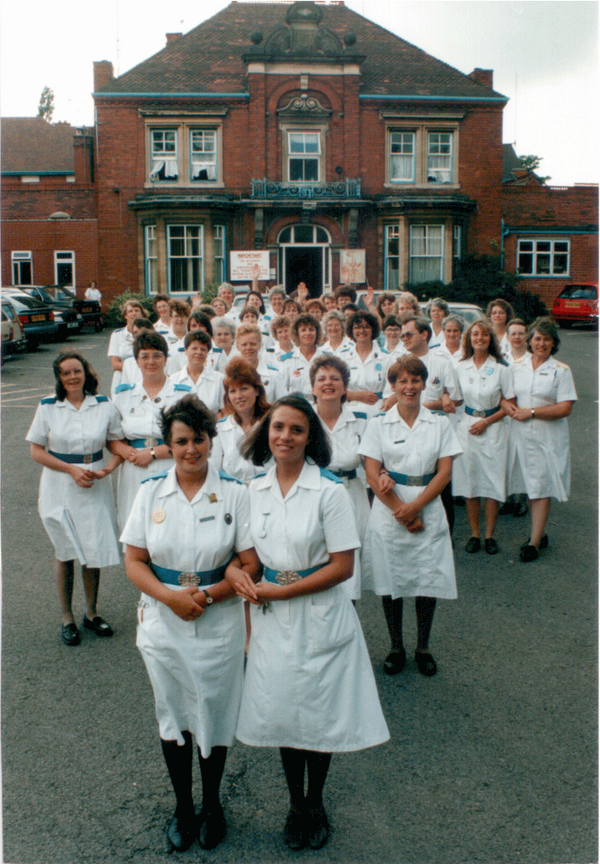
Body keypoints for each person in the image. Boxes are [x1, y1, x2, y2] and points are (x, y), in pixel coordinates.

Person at [229, 395, 389, 850]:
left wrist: (283, 590)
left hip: (318, 611)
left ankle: (315, 801)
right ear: (267, 432)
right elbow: (248, 560)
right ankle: (294, 802)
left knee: (318, 715)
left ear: (310, 437)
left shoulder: (331, 491)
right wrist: (237, 574)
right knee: (284, 713)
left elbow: (342, 567)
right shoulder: (252, 491)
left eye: (297, 430)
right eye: (278, 427)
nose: (285, 437)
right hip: (271, 617)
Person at [121, 394, 260, 852]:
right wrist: (169, 599)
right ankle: (184, 806)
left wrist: (207, 595)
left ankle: (213, 804)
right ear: (168, 443)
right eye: (180, 441)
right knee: (174, 716)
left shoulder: (235, 494)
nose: (191, 450)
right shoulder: (149, 492)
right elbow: (135, 561)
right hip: (163, 622)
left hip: (218, 621)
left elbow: (250, 563)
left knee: (215, 717)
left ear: (210, 439)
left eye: (198, 439)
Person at [359, 356, 462, 677]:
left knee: (426, 579)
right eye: (402, 381)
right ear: (392, 385)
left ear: (423, 383)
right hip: (389, 511)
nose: (409, 387)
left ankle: (423, 647)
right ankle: (395, 646)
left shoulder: (439, 423)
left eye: (415, 380)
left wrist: (415, 509)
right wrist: (400, 511)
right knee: (391, 580)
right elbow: (372, 472)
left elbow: (444, 473)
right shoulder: (378, 423)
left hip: (428, 506)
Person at [27, 351, 124, 646]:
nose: (72, 377)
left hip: (93, 483)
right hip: (60, 483)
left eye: (77, 371)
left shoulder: (103, 405)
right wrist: (70, 469)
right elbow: (37, 450)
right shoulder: (48, 407)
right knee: (66, 549)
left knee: (92, 547)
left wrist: (109, 467)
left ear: (86, 373)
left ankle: (91, 613)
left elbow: (115, 442)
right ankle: (67, 617)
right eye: (66, 372)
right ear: (59, 377)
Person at [503, 317, 577, 562]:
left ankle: (534, 542)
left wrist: (532, 412)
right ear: (529, 340)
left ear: (553, 343)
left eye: (547, 339)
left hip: (548, 436)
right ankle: (540, 533)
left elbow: (565, 407)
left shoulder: (561, 370)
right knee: (529, 484)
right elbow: (505, 396)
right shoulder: (516, 366)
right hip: (521, 435)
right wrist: (510, 407)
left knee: (541, 486)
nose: (541, 343)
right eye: (537, 338)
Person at [111, 331, 191, 530]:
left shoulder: (183, 394)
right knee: (136, 526)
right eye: (144, 356)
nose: (151, 361)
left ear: (166, 359)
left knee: (169, 526)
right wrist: (124, 451)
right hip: (134, 467)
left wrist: (154, 453)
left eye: (157, 355)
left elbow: (194, 438)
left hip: (171, 466)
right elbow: (111, 437)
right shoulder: (123, 395)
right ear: (136, 361)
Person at [310, 355, 369, 601]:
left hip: (352, 495)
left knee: (348, 564)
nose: (328, 383)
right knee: (315, 558)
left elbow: (374, 465)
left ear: (345, 388)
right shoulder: (304, 421)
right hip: (313, 495)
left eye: (335, 378)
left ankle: (347, 632)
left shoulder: (361, 421)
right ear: (313, 387)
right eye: (321, 378)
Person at [452, 320, 513, 554]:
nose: (480, 338)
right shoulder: (460, 366)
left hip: (493, 428)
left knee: (492, 483)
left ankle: (490, 536)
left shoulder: (502, 368)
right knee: (471, 483)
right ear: (469, 338)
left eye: (484, 334)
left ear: (490, 339)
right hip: (467, 428)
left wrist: (486, 421)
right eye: (475, 334)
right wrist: (445, 399)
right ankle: (475, 534)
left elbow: (510, 403)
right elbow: (457, 399)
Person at [211, 357, 272, 484]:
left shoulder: (273, 423)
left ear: (256, 390)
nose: (238, 396)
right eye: (233, 391)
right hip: (235, 494)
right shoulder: (220, 429)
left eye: (244, 388)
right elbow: (214, 470)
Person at [169, 330, 225, 414]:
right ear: (186, 351)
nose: (198, 352)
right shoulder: (173, 380)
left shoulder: (219, 379)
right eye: (194, 348)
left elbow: (224, 411)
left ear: (207, 353)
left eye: (203, 349)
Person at [345, 310, 389, 410]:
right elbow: (337, 389)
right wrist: (357, 396)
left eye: (366, 326)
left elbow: (392, 389)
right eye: (357, 327)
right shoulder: (342, 356)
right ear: (351, 330)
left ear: (372, 329)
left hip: (377, 408)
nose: (361, 330)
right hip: (350, 409)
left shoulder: (386, 356)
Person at [235, 323, 287, 403]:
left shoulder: (274, 375)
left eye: (253, 344)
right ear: (238, 347)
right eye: (244, 344)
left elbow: (284, 405)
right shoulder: (232, 376)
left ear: (260, 345)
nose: (248, 348)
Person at [107, 298, 148, 396]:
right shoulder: (117, 335)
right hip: (123, 378)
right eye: (130, 311)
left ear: (142, 314)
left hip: (144, 377)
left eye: (137, 310)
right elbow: (115, 364)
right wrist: (134, 368)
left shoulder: (149, 333)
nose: (134, 313)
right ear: (125, 315)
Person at [279, 312, 323, 399]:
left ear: (317, 332)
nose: (308, 333)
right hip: (296, 406)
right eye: (303, 330)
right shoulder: (288, 360)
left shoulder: (325, 359)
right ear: (297, 333)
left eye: (311, 329)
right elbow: (282, 390)